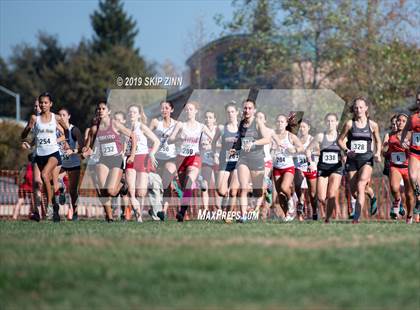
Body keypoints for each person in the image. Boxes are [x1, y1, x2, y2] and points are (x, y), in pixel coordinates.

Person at [83, 100, 137, 222]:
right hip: (103, 160)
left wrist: (132, 155)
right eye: (99, 109)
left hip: (116, 159)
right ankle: (109, 217)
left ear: (109, 111)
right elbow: (88, 147)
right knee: (103, 190)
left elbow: (133, 136)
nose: (100, 111)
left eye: (103, 109)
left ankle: (123, 186)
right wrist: (84, 151)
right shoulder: (94, 129)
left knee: (111, 191)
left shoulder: (115, 124)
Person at [21, 92, 70, 222]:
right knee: (43, 182)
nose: (43, 105)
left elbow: (66, 130)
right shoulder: (34, 118)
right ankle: (53, 207)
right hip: (39, 155)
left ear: (50, 104)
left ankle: (48, 206)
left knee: (44, 175)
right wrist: (27, 131)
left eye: (45, 102)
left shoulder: (56, 118)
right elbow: (25, 134)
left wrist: (62, 139)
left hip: (53, 154)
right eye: (41, 102)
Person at [338, 97, 382, 223]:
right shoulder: (349, 124)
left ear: (366, 108)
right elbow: (340, 140)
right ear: (354, 109)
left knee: (361, 184)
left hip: (366, 159)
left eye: (361, 107)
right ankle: (372, 195)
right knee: (354, 192)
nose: (358, 110)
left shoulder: (373, 125)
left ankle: (356, 218)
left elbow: (378, 140)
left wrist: (378, 153)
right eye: (356, 107)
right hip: (352, 161)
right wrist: (347, 151)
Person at [168, 101, 213, 222]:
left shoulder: (201, 126)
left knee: (188, 182)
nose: (188, 111)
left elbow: (213, 139)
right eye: (186, 109)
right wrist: (178, 138)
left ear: (196, 111)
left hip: (195, 157)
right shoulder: (180, 125)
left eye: (191, 109)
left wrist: (208, 143)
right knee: (184, 188)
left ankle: (181, 212)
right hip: (181, 158)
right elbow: (170, 139)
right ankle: (197, 182)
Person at [231, 99, 272, 223]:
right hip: (243, 159)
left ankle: (266, 190)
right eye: (245, 108)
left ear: (254, 110)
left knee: (258, 192)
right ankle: (243, 216)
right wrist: (235, 148)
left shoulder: (258, 123)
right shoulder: (241, 123)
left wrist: (253, 143)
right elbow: (239, 140)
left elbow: (267, 139)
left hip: (257, 160)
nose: (247, 110)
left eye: (249, 108)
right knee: (243, 188)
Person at [124, 104, 159, 222]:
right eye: (130, 112)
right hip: (130, 159)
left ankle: (150, 186)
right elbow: (124, 145)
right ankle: (138, 217)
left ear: (139, 115)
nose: (131, 114)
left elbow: (156, 141)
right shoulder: (125, 128)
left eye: (134, 112)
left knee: (141, 192)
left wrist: (152, 153)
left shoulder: (142, 127)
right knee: (131, 191)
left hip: (142, 158)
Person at [307, 113, 343, 223]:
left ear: (337, 123)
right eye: (328, 121)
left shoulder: (341, 137)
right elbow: (308, 150)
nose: (330, 123)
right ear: (325, 122)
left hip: (336, 169)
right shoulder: (320, 136)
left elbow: (346, 149)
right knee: (321, 197)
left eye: (333, 121)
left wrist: (346, 156)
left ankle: (327, 219)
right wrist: (311, 162)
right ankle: (328, 211)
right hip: (323, 168)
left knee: (331, 194)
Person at [271, 114, 304, 222]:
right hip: (276, 167)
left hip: (288, 167)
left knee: (284, 187)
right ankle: (287, 215)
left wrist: (293, 149)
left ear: (286, 124)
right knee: (280, 194)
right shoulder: (272, 135)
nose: (280, 123)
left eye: (282, 122)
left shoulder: (290, 136)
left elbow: (301, 147)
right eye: (278, 121)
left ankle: (291, 200)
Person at [149, 101, 178, 220]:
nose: (164, 110)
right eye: (162, 108)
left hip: (171, 157)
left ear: (172, 110)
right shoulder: (156, 122)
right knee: (157, 185)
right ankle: (154, 208)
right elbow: (145, 134)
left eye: (167, 108)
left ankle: (162, 211)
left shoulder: (177, 124)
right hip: (156, 158)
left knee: (166, 184)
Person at [383, 113, 414, 223]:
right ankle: (397, 200)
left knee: (409, 195)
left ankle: (409, 217)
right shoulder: (391, 135)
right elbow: (385, 152)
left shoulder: (411, 135)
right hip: (395, 166)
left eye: (403, 121)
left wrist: (409, 149)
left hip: (408, 167)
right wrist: (385, 149)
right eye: (398, 121)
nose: (400, 123)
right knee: (394, 188)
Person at [212, 102, 240, 220]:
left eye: (232, 111)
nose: (230, 114)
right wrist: (215, 155)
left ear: (237, 113)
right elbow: (213, 142)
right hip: (225, 161)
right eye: (228, 112)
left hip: (239, 162)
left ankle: (228, 215)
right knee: (220, 190)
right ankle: (226, 198)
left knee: (233, 191)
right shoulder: (221, 128)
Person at [57, 108, 84, 221]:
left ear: (69, 116)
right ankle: (62, 190)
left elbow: (82, 148)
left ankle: (75, 213)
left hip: (74, 163)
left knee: (73, 192)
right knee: (57, 180)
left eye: (64, 115)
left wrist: (72, 151)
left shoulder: (74, 130)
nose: (61, 117)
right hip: (61, 163)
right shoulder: (56, 130)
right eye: (59, 115)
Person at [295, 119, 318, 221]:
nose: (302, 129)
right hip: (299, 167)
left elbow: (319, 152)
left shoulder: (312, 139)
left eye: (304, 127)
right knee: (298, 188)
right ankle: (300, 207)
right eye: (300, 127)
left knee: (312, 194)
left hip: (310, 167)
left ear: (308, 128)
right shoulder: (295, 139)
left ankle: (314, 211)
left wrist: (309, 152)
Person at [200, 111, 219, 211]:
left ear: (214, 119)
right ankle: (206, 210)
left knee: (218, 186)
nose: (208, 119)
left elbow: (223, 144)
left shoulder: (218, 129)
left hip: (217, 160)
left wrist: (212, 145)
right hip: (206, 160)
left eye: (210, 117)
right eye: (206, 117)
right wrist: (202, 146)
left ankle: (219, 208)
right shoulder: (201, 130)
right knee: (204, 185)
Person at [407, 91, 420, 222]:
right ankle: (419, 200)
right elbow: (406, 130)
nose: (419, 102)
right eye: (418, 100)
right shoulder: (413, 117)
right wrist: (404, 140)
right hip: (415, 152)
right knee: (412, 177)